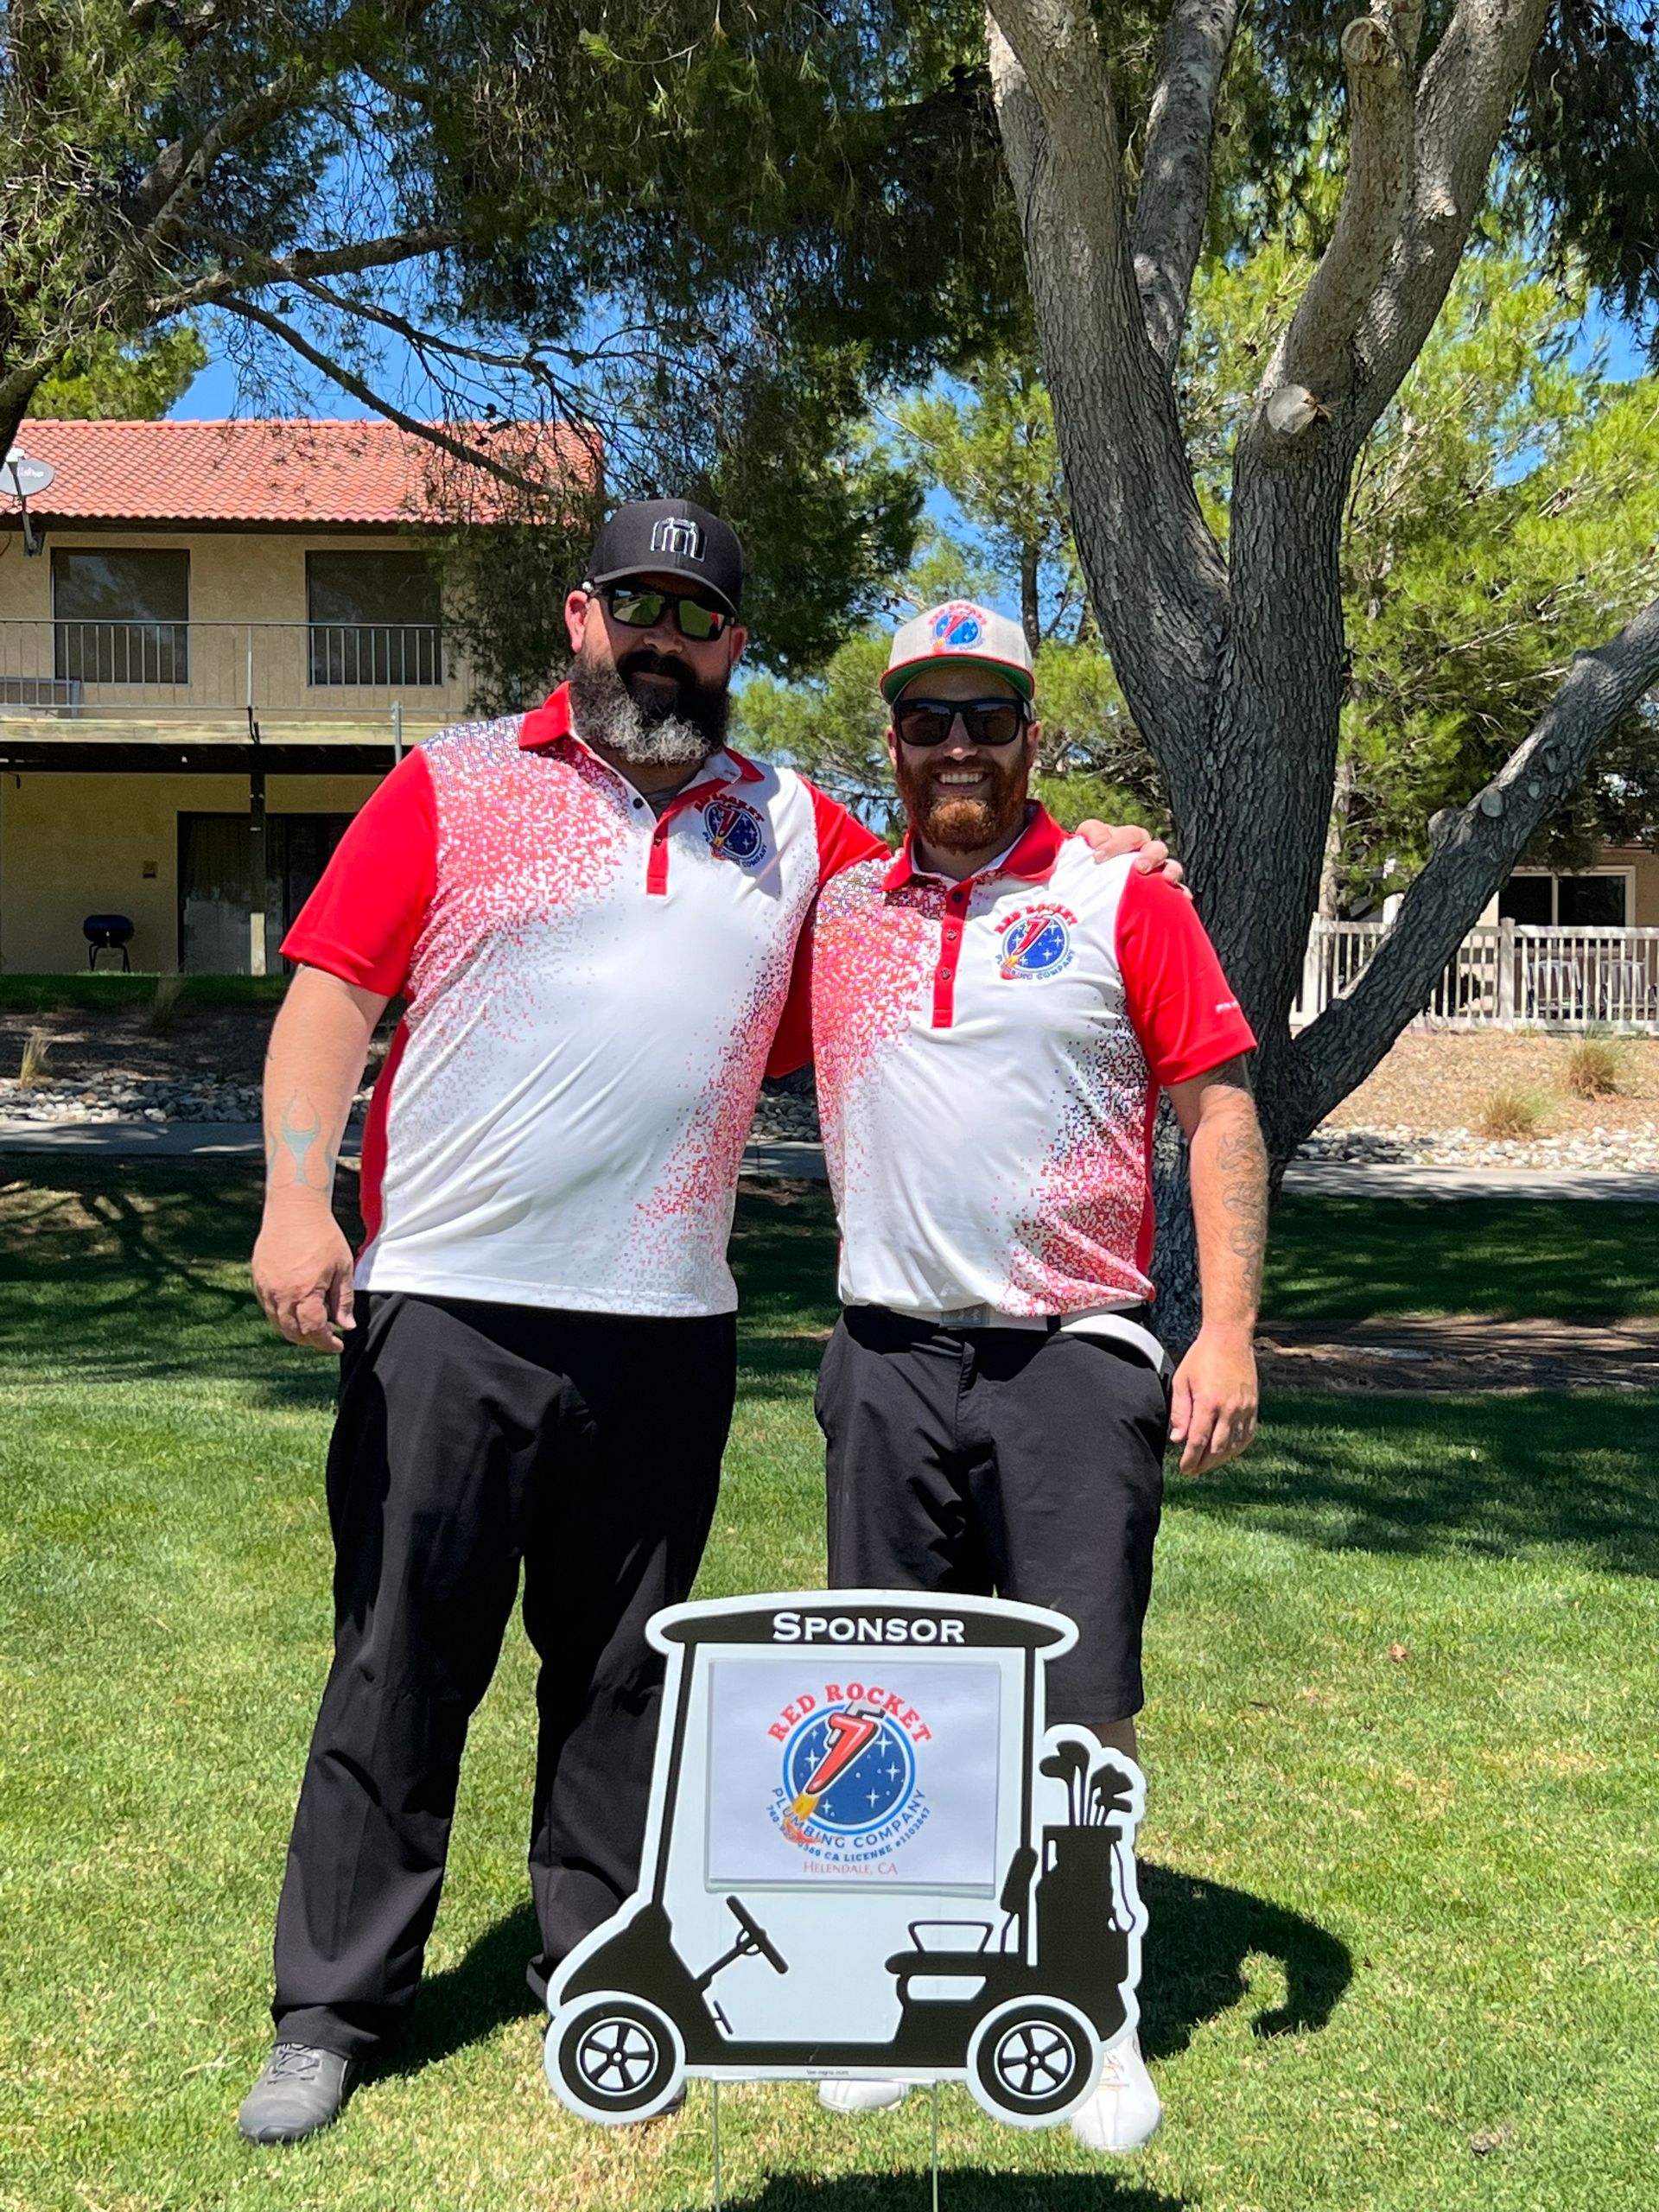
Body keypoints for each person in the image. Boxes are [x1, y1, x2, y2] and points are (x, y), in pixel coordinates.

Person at [238, 507, 1173, 2145]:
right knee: (399, 1657)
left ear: (736, 648)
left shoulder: (785, 823)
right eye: (639, 609)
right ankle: (332, 2006)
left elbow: (938, 874)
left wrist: (1093, 854)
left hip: (670, 1321)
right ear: (582, 619)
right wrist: (299, 1204)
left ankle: (594, 1959)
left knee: (620, 1679)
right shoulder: (452, 782)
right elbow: (331, 994)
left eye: (703, 619)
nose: (666, 641)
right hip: (451, 1299)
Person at [801, 600, 1269, 2154]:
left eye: (986, 719)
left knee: (1080, 1708)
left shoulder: (1115, 894)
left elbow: (1219, 1114)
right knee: (886, 1698)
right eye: (926, 719)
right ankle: (889, 1988)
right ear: (890, 742)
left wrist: (1226, 1331)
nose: (956, 746)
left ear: (1031, 740)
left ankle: (1088, 2002)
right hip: (883, 1351)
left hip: (1072, 1355)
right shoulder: (839, 906)